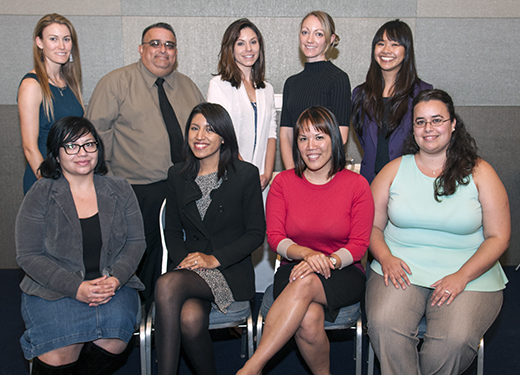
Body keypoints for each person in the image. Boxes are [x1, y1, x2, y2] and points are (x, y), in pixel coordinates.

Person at [366, 89, 509, 375]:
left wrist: (462, 277)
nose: (428, 128)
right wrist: (385, 258)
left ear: (453, 123)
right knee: (385, 325)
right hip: (400, 265)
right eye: (420, 122)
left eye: (437, 120)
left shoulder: (481, 172)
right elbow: (370, 226)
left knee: (454, 340)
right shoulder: (393, 170)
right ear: (413, 128)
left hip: (469, 271)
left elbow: (499, 237)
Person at [238, 106, 374, 375]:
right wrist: (308, 255)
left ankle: (251, 369)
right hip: (294, 266)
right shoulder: (283, 183)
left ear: (333, 139)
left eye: (319, 136)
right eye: (303, 138)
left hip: (343, 270)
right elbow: (275, 238)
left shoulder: (356, 185)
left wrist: (326, 261)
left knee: (307, 281)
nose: (311, 146)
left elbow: (359, 245)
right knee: (309, 319)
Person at [16, 116, 146, 375]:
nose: (82, 153)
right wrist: (75, 287)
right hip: (53, 289)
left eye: (89, 145)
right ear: (56, 153)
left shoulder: (120, 189)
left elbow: (136, 242)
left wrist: (117, 279)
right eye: (71, 146)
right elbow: (28, 255)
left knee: (115, 337)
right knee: (59, 350)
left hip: (111, 286)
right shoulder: (41, 193)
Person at [87, 22, 204, 305]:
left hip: (184, 186)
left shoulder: (187, 86)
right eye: (155, 44)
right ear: (141, 49)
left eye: (169, 45)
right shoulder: (115, 83)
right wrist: (108, 187)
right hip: (136, 190)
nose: (162, 50)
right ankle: (141, 314)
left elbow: (206, 131)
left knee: (179, 251)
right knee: (141, 255)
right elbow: (95, 137)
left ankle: (172, 307)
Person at [154, 103, 265, 375]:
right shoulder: (177, 175)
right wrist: (185, 261)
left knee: (167, 284)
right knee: (190, 320)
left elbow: (255, 234)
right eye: (194, 128)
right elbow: (171, 231)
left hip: (228, 271)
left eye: (210, 129)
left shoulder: (245, 175)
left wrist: (213, 259)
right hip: (190, 272)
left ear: (224, 136)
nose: (200, 136)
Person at [352, 19, 433, 184]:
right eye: (381, 43)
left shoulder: (422, 92)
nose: (386, 50)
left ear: (406, 51)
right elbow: (363, 139)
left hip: (410, 181)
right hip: (371, 183)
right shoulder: (360, 94)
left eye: (395, 44)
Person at [207, 18, 277, 196]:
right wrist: (245, 172)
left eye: (253, 42)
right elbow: (220, 133)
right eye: (241, 43)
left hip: (261, 180)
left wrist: (267, 174)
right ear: (230, 48)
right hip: (229, 175)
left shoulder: (267, 89)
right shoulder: (218, 85)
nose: (249, 49)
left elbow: (271, 133)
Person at [18, 13, 84, 194]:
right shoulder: (32, 84)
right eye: (53, 39)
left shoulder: (68, 81)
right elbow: (29, 147)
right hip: (46, 179)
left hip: (71, 176)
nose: (62, 46)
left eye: (66, 39)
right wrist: (50, 185)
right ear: (39, 42)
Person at [279, 11, 351, 170]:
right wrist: (293, 173)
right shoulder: (291, 83)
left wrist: (313, 174)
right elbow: (286, 135)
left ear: (330, 39)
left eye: (318, 34)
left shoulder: (338, 79)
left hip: (325, 172)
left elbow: (341, 135)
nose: (309, 39)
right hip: (296, 169)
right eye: (305, 32)